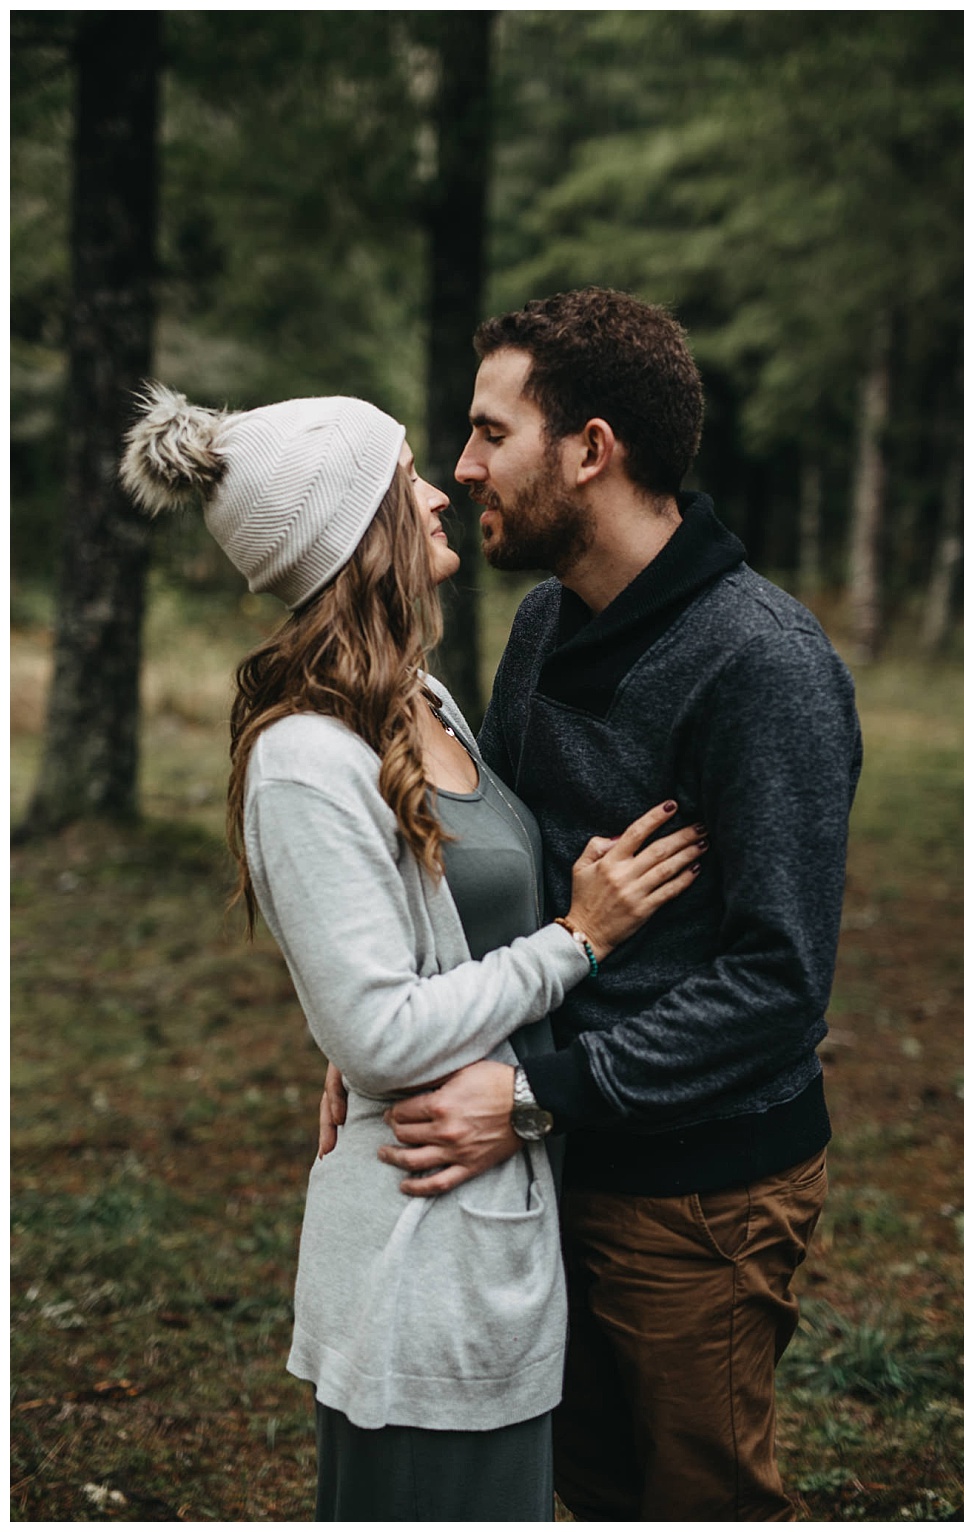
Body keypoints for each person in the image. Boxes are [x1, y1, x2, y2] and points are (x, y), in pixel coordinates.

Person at [324, 287, 863, 1519]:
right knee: (593, 1490)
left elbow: (778, 988)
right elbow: (503, 872)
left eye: (487, 433)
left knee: (699, 1499)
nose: (461, 471)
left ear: (591, 449)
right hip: (552, 1160)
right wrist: (393, 1026)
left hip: (700, 1191)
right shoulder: (541, 625)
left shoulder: (763, 664)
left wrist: (523, 1094)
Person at [119, 381, 702, 1520]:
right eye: (405, 480)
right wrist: (574, 940)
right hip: (413, 1255)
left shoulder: (420, 699)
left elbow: (406, 977)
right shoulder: (305, 759)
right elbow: (383, 1030)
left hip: (495, 1239)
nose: (442, 489)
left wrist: (397, 1017)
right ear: (354, 531)